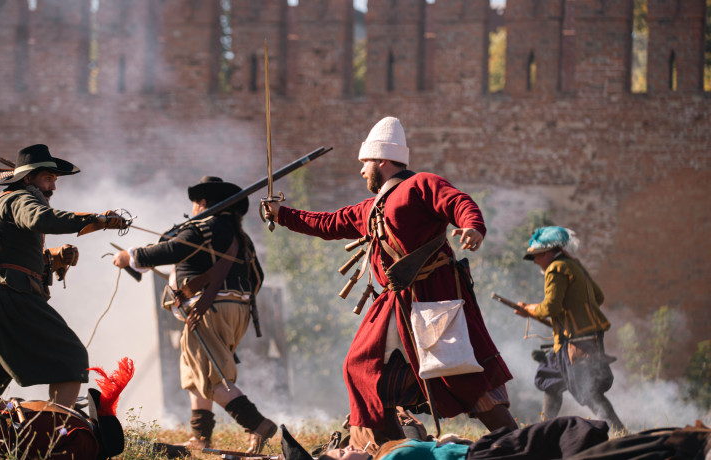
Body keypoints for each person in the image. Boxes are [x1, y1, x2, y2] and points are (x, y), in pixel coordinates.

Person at [263, 117, 517, 451]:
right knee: (361, 367)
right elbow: (327, 223)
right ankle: (390, 447)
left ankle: (521, 444)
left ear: (381, 160)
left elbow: (458, 202)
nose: (361, 171)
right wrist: (282, 214)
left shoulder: (421, 185)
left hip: (434, 298)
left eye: (364, 164)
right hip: (395, 302)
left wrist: (472, 227)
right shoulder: (370, 208)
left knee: (463, 374)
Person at [0, 144, 128, 409]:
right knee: (71, 358)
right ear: (28, 179)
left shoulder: (8, 200)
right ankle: (58, 431)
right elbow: (42, 219)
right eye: (48, 179)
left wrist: (51, 258)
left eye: (54, 180)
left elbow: (7, 255)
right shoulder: (21, 198)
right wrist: (97, 219)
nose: (53, 187)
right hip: (6, 297)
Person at [111, 176, 276, 453]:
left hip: (206, 311)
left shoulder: (202, 227)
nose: (193, 208)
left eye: (195, 203)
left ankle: (258, 424)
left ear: (203, 202)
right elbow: (256, 278)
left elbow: (172, 249)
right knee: (197, 372)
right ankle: (200, 438)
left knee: (214, 378)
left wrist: (131, 257)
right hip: (236, 312)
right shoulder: (240, 236)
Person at [516, 226, 625, 432]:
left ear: (547, 253)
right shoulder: (574, 266)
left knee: (588, 390)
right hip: (571, 341)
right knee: (551, 380)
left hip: (577, 342)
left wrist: (528, 309)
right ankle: (542, 431)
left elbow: (551, 307)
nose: (536, 261)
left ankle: (620, 432)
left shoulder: (556, 268)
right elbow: (598, 297)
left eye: (537, 256)